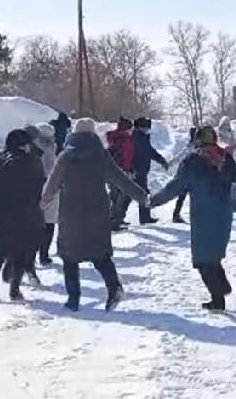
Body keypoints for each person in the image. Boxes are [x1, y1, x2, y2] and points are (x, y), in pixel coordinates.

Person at [150, 126, 236, 311]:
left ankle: (220, 292)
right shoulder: (225, 158)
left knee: (202, 261)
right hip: (223, 216)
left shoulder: (192, 162)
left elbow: (174, 188)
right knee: (212, 258)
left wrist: (153, 201)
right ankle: (218, 298)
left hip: (203, 217)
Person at [41, 118, 149, 312]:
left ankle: (73, 299)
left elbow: (52, 183)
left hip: (71, 213)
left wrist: (43, 201)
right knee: (100, 254)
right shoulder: (101, 155)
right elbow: (121, 180)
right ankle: (114, 287)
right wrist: (142, 197)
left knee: (69, 257)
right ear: (93, 134)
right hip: (97, 212)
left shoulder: (65, 156)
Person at [0, 129, 46, 301]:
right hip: (24, 212)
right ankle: (14, 289)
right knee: (20, 251)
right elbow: (39, 187)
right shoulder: (32, 162)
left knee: (0, 249)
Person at [27, 123, 58, 267]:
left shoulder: (31, 147)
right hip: (51, 185)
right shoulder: (51, 147)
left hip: (35, 185)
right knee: (49, 222)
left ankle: (31, 256)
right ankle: (44, 255)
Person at [130, 117, 169, 225]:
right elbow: (130, 154)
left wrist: (161, 160)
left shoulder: (143, 137)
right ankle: (144, 219)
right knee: (142, 193)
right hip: (136, 170)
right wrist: (131, 169)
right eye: (146, 128)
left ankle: (118, 216)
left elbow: (150, 152)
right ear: (140, 127)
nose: (147, 130)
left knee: (132, 194)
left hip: (142, 170)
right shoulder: (135, 138)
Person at [106, 116, 135, 231]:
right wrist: (124, 169)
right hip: (119, 170)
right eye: (129, 128)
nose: (131, 131)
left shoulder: (120, 138)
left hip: (120, 169)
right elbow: (121, 156)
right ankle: (113, 221)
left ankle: (116, 219)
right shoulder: (121, 139)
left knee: (118, 195)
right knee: (117, 195)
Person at [169, 127, 197, 223]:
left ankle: (176, 215)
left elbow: (179, 157)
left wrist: (170, 164)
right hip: (192, 174)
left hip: (186, 174)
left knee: (182, 196)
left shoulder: (189, 146)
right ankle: (177, 215)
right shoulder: (194, 147)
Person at [217, 116, 236, 212]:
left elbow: (235, 143)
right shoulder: (219, 134)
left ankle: (233, 204)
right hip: (222, 161)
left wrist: (234, 146)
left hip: (230, 160)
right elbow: (220, 145)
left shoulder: (231, 133)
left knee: (232, 184)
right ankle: (224, 204)